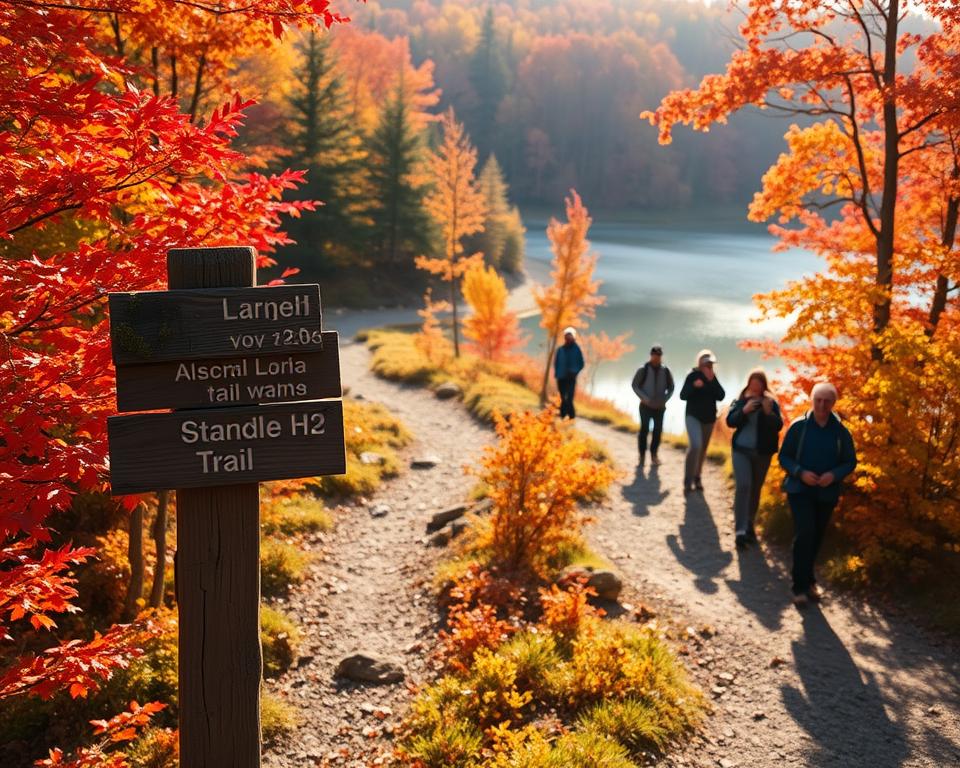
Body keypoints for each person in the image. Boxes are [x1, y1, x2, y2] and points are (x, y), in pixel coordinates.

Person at [778, 382, 857, 607]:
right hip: (799, 490)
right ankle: (799, 587)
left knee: (817, 536)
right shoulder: (799, 427)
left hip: (826, 493)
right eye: (818, 400)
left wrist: (834, 475)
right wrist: (799, 472)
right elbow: (784, 457)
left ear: (833, 403)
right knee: (805, 532)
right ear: (811, 400)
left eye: (826, 401)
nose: (821, 405)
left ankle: (810, 579)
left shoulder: (841, 432)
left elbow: (850, 461)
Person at [726, 368, 783, 549]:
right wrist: (744, 410)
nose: (756, 387)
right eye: (753, 383)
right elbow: (730, 421)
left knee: (755, 488)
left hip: (762, 453)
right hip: (741, 451)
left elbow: (778, 426)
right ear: (749, 384)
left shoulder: (771, 404)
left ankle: (749, 523)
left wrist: (768, 413)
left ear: (764, 386)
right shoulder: (741, 401)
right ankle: (740, 530)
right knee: (743, 486)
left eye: (759, 384)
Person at [679, 349, 725, 493]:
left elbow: (721, 395)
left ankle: (697, 477)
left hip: (709, 419)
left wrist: (711, 381)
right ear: (700, 364)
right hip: (693, 417)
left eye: (711, 364)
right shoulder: (693, 376)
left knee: (703, 449)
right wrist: (694, 386)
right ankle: (688, 480)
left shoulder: (713, 377)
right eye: (706, 364)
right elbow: (683, 395)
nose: (709, 367)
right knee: (696, 445)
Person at [631, 344, 675, 466]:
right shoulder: (643, 370)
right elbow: (635, 385)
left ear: (661, 356)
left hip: (660, 407)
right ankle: (642, 455)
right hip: (645, 406)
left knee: (657, 431)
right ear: (651, 355)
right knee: (644, 430)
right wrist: (644, 398)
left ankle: (654, 455)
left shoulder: (666, 371)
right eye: (654, 355)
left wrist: (665, 399)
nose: (656, 357)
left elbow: (671, 387)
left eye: (659, 355)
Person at [554, 326, 584, 419]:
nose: (568, 338)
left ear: (573, 337)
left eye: (570, 336)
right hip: (561, 377)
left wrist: (574, 372)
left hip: (571, 378)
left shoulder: (577, 349)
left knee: (569, 398)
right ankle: (563, 416)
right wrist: (557, 373)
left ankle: (572, 416)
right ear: (564, 337)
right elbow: (556, 362)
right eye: (567, 336)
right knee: (562, 397)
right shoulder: (560, 349)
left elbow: (581, 363)